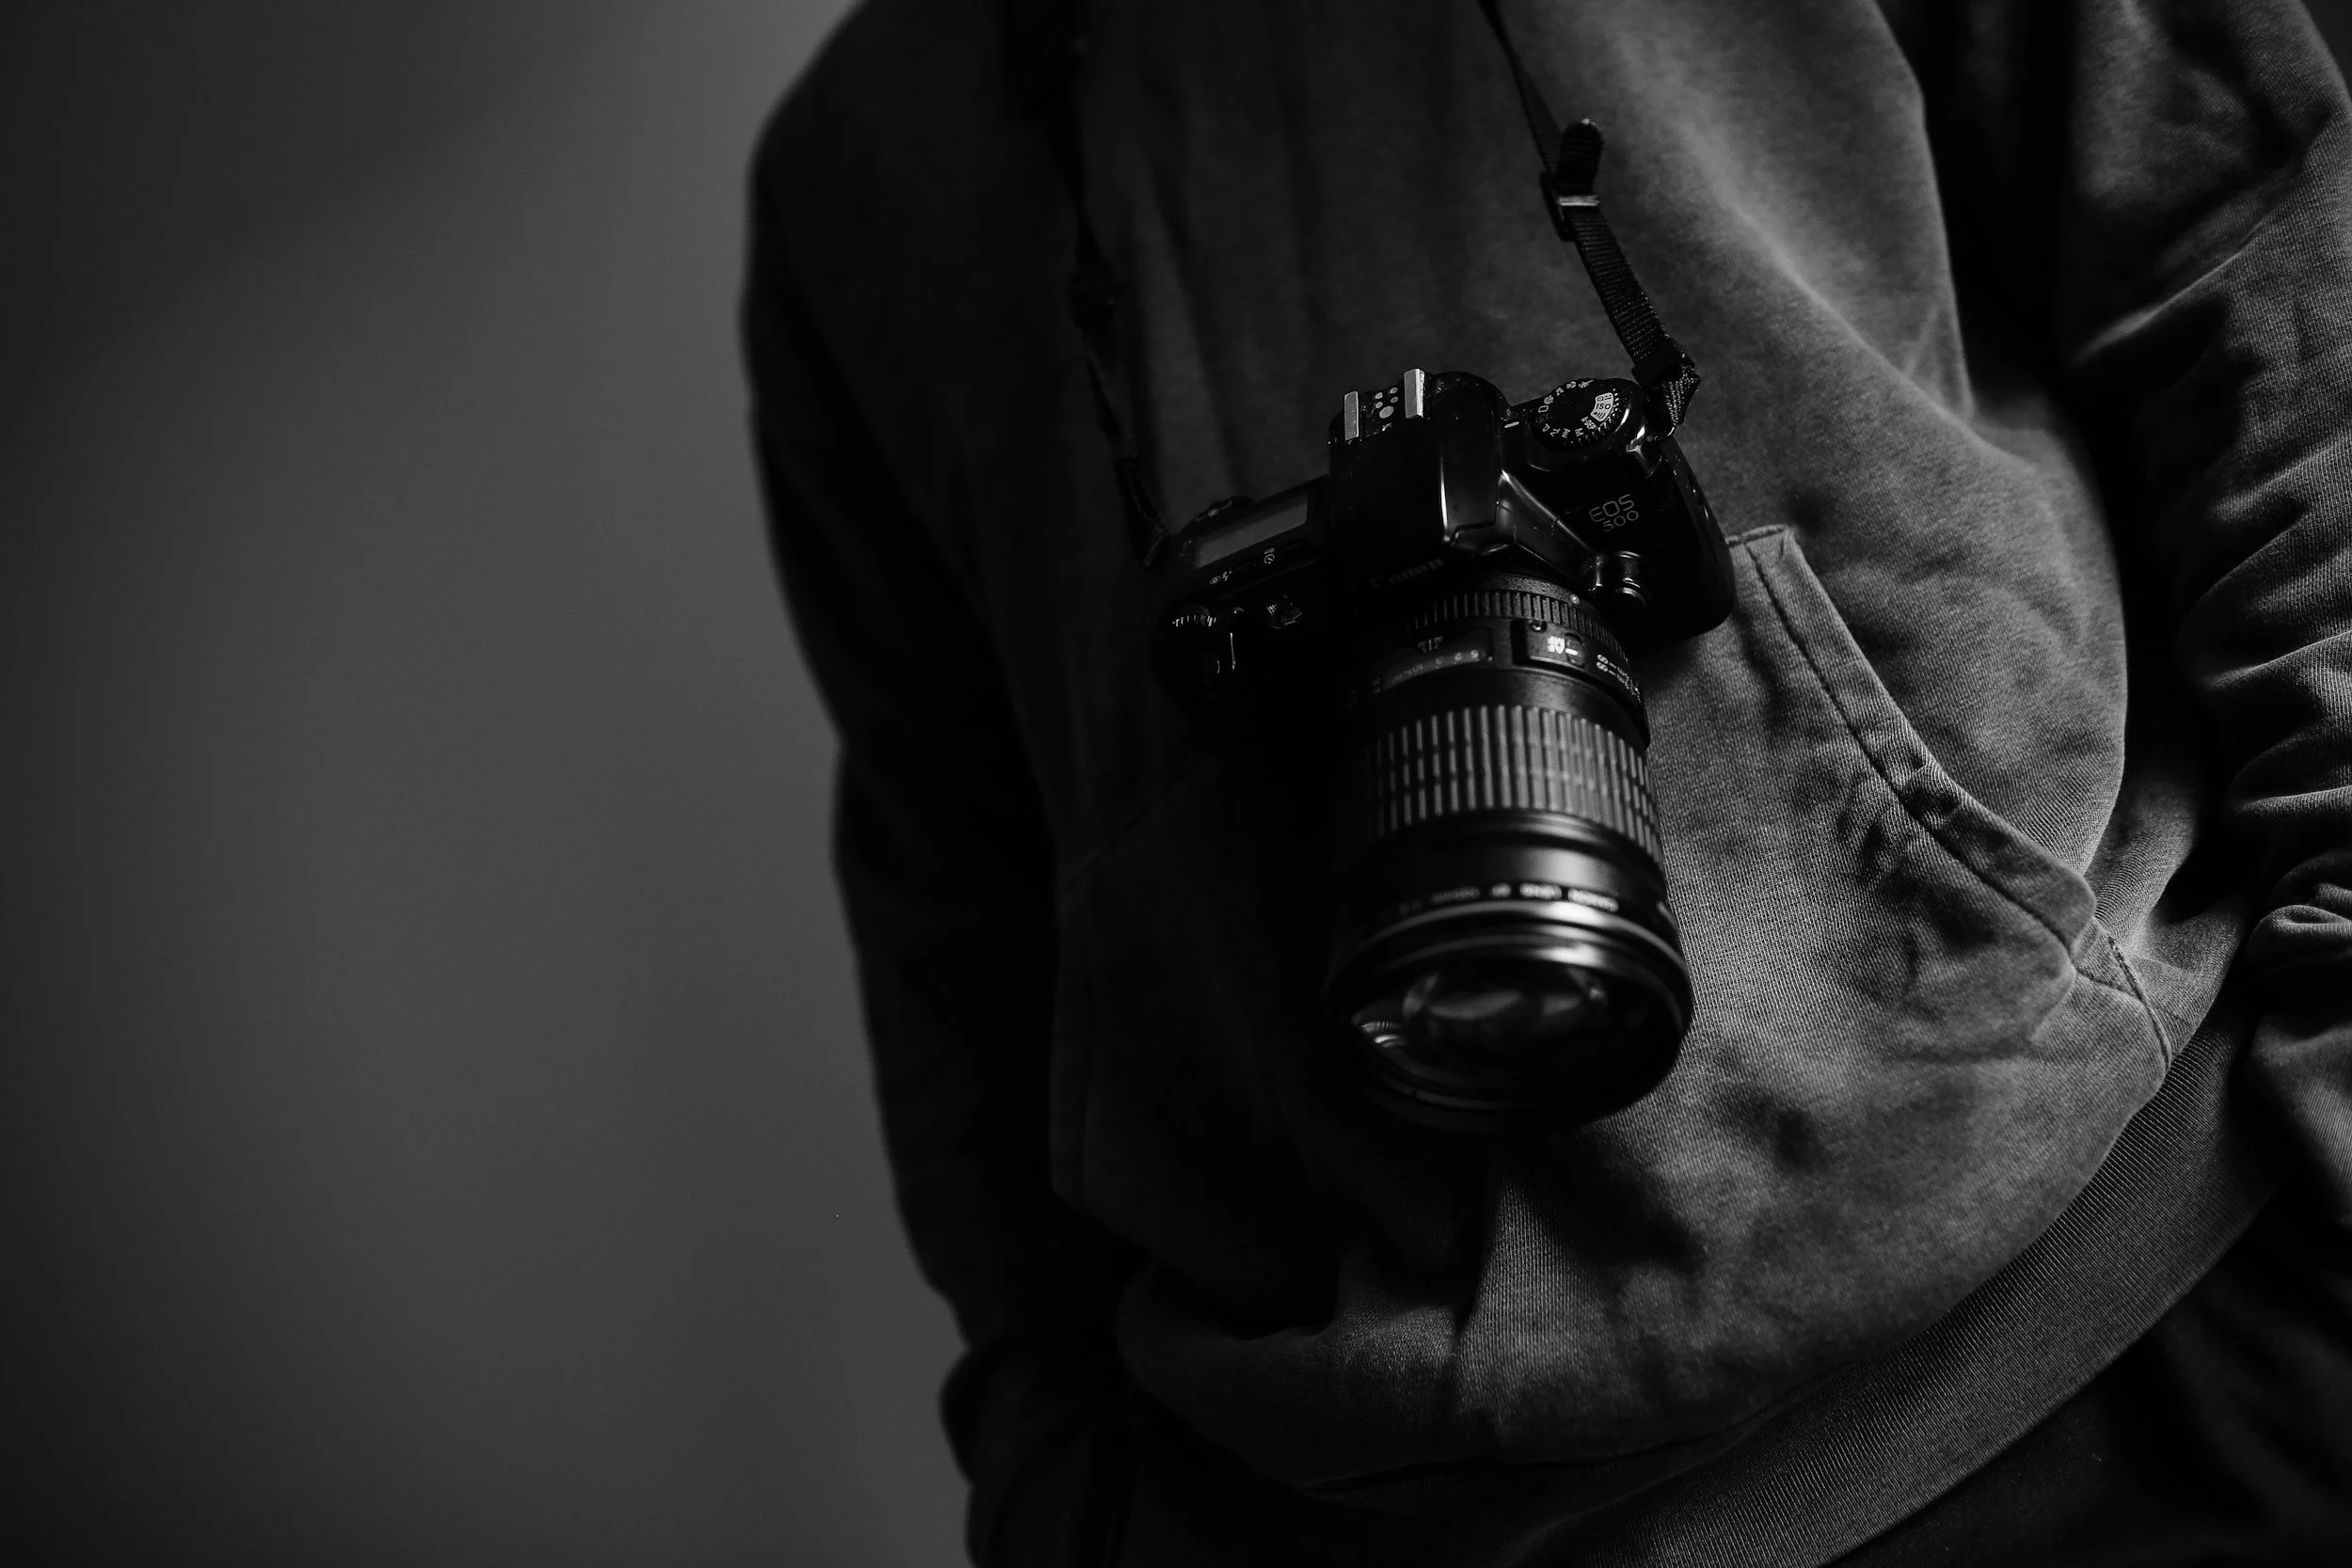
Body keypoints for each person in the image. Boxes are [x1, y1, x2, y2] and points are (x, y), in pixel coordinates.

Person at [742, 0, 2352, 1561]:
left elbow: (2253, 265)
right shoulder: (855, 163)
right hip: (1336, 1511)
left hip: (2146, 1320)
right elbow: (958, 932)